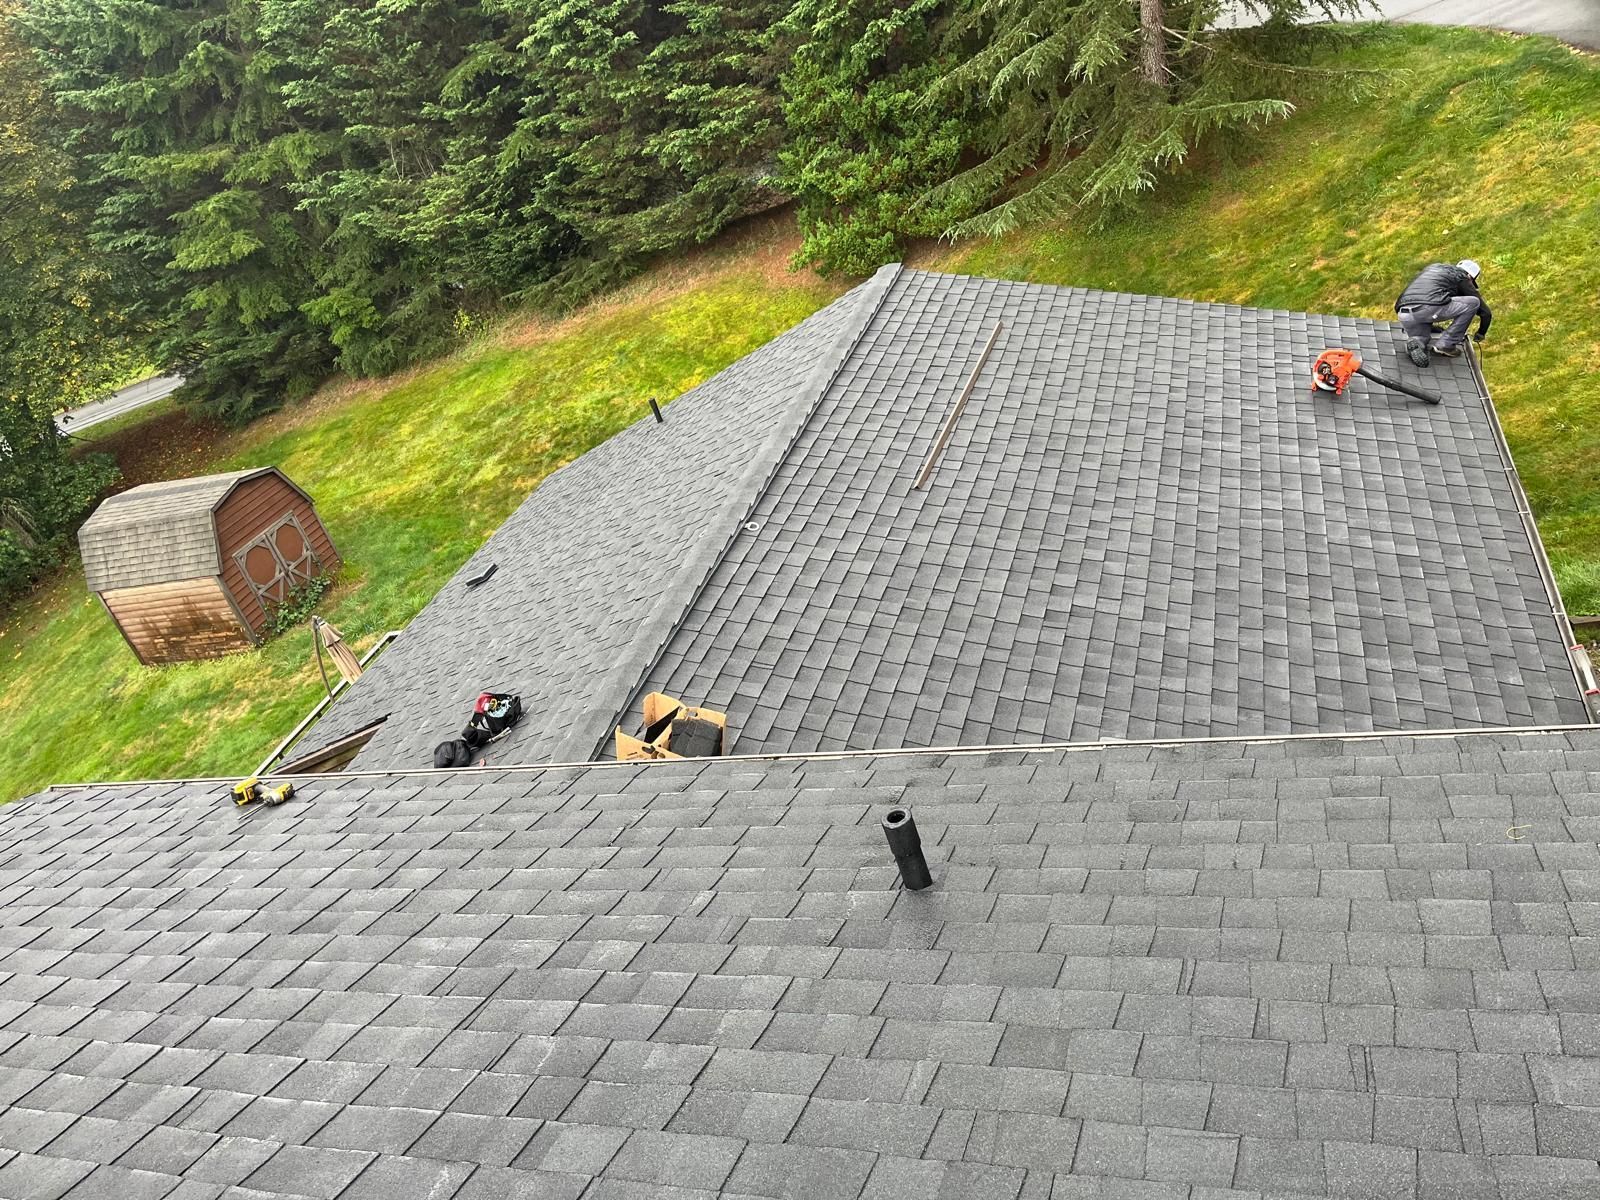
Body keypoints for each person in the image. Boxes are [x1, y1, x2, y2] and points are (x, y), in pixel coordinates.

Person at [1395, 259, 1492, 367]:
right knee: (1473, 302)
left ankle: (1415, 342)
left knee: (1422, 338)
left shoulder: (1433, 268)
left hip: (1404, 313)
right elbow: (1485, 312)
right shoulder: (1461, 276)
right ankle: (1446, 345)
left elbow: (1426, 294)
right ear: (1470, 276)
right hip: (1427, 309)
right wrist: (1481, 333)